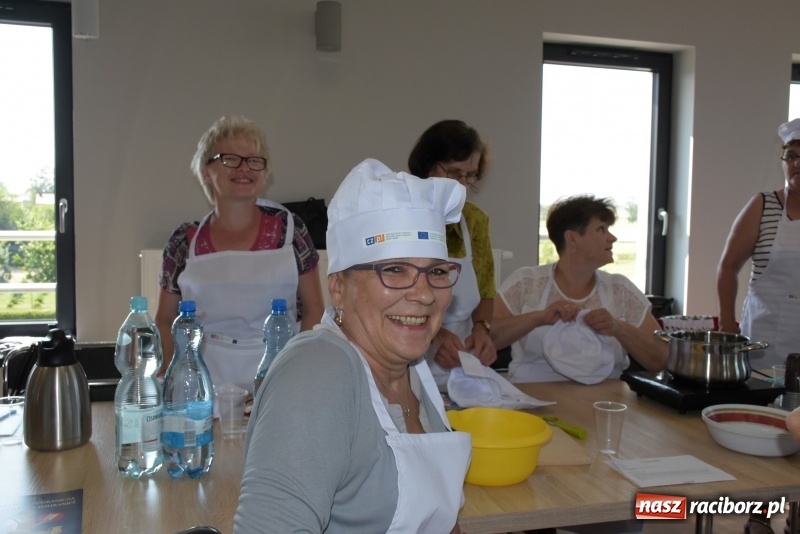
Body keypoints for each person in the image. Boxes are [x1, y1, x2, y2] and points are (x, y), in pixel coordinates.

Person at [233, 158, 471, 533]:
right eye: (394, 270)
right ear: (339, 288)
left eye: (437, 272)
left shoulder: (415, 373)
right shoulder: (317, 373)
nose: (425, 294)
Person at [154, 114, 324, 395]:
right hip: (205, 385)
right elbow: (164, 319)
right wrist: (178, 382)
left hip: (280, 375)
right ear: (206, 171)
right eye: (230, 158)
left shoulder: (290, 231)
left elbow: (314, 309)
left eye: (254, 160)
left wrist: (298, 373)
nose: (245, 168)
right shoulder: (184, 241)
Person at [492, 195, 668, 384]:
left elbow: (661, 360)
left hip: (607, 403)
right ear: (572, 238)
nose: (612, 238)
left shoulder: (621, 290)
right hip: (532, 399)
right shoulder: (526, 283)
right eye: (601, 229)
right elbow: (487, 338)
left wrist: (618, 328)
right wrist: (538, 318)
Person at [408, 119, 497, 385]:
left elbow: (486, 293)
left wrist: (482, 329)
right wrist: (434, 336)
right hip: (407, 365)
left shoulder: (475, 221)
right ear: (426, 166)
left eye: (470, 175)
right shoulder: (401, 218)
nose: (462, 184)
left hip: (461, 370)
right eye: (455, 173)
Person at [717, 118, 800, 368]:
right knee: (760, 400)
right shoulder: (762, 206)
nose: (797, 164)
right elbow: (728, 266)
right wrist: (726, 324)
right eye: (791, 156)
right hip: (763, 337)